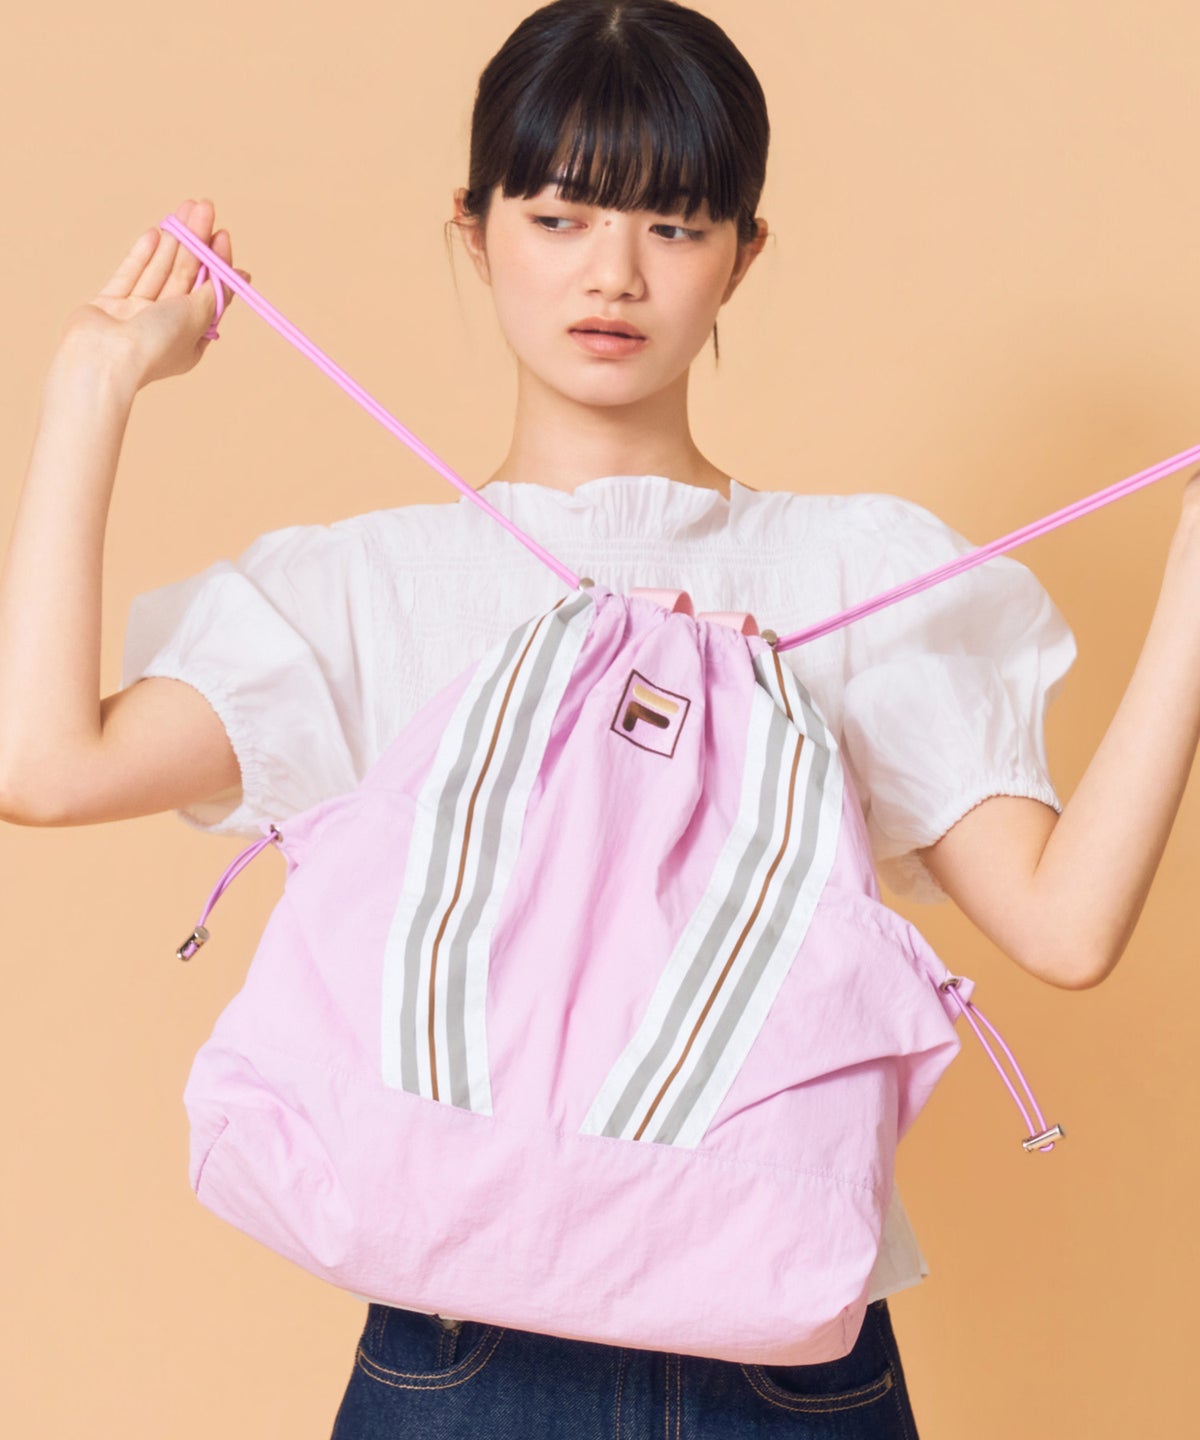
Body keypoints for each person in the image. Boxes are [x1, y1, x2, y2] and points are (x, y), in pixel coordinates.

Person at [3, 1, 1199, 1435]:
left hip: (786, 1364)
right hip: (466, 1358)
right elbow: (41, 767)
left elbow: (1066, 931)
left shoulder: (858, 572)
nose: (614, 274)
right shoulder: (372, 590)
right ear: (475, 229)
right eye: (561, 217)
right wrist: (94, 382)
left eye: (676, 227)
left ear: (746, 252)